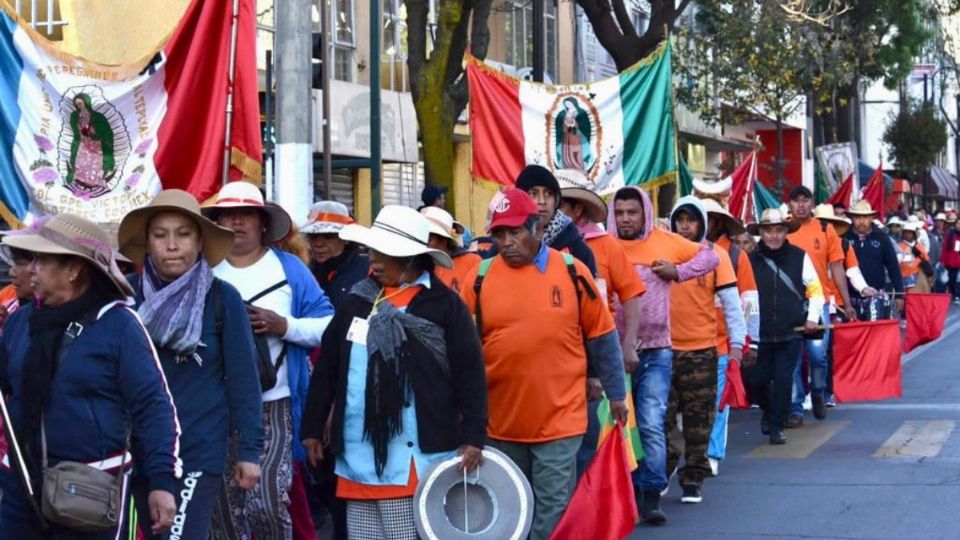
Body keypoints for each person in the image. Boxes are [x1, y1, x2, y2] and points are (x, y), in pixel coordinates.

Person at [301, 205, 488, 540]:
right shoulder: (358, 301)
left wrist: (473, 436)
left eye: (383, 253)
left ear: (411, 258)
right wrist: (313, 427)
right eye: (373, 251)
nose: (373, 259)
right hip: (357, 452)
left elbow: (470, 374)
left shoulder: (443, 306)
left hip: (413, 455)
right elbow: (329, 365)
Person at [460, 188, 627, 540]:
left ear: (536, 229)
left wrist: (616, 394)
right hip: (500, 425)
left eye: (516, 232)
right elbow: (462, 353)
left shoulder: (571, 271)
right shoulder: (479, 278)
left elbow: (602, 335)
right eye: (499, 234)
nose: (507, 242)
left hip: (560, 421)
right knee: (509, 513)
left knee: (551, 513)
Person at [0, 213, 180, 539]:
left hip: (90, 492)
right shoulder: (19, 323)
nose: (31, 270)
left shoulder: (119, 326)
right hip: (19, 486)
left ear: (73, 270)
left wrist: (162, 482)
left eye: (41, 260)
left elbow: (153, 407)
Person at [117, 189, 264, 540]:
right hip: (133, 451)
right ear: (147, 243)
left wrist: (249, 452)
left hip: (198, 450)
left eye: (183, 234)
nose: (172, 245)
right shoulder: (124, 295)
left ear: (199, 242)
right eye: (160, 234)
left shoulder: (222, 298)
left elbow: (244, 379)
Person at [203, 181, 334, 540]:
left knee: (269, 500)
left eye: (245, 215)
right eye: (227, 215)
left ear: (262, 223)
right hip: (216, 406)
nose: (236, 222)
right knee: (223, 505)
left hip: (274, 404)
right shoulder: (203, 269)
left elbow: (329, 326)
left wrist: (284, 325)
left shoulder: (289, 268)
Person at [607, 186, 719, 524]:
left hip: (657, 351)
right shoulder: (605, 245)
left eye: (633, 212)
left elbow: (710, 256)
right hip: (612, 351)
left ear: (645, 213)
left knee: (652, 425)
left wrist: (677, 272)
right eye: (621, 212)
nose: (626, 218)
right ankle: (622, 491)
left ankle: (651, 494)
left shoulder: (666, 239)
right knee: (617, 426)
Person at [556, 169, 645, 476]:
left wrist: (627, 345)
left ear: (577, 209)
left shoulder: (605, 246)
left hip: (593, 356)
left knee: (587, 443)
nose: (548, 210)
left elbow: (630, 296)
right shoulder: (530, 246)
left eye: (559, 204)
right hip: (553, 363)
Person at [665, 196, 746, 504]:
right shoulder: (660, 252)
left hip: (702, 352)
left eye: (691, 220)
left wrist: (737, 345)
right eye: (680, 220)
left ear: (701, 223)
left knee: (700, 423)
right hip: (662, 352)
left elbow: (732, 305)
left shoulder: (716, 256)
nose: (685, 226)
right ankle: (665, 465)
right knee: (660, 420)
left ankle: (693, 479)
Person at [744, 209, 825, 445]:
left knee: (782, 381)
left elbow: (815, 290)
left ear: (785, 232)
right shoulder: (750, 260)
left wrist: (812, 317)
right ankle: (768, 412)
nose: (774, 236)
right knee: (756, 381)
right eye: (769, 231)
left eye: (779, 230)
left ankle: (777, 426)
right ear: (761, 233)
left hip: (791, 332)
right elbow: (743, 296)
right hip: (759, 334)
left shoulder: (800, 256)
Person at [699, 198, 757, 477]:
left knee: (718, 401)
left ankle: (712, 454)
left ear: (718, 223)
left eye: (707, 218)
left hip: (723, 342)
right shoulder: (684, 251)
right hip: (689, 342)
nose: (701, 223)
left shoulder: (736, 255)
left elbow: (750, 301)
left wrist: (749, 341)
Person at [786, 186, 851, 425]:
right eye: (796, 200)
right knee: (792, 358)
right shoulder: (783, 230)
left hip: (819, 302)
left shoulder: (825, 229)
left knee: (817, 355)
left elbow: (836, 268)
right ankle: (795, 407)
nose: (801, 205)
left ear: (812, 203)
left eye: (805, 200)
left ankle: (819, 390)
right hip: (791, 305)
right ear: (790, 205)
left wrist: (848, 301)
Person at [514, 164, 598, 275]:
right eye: (533, 194)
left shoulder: (577, 249)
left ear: (556, 201)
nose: (542, 201)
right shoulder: (505, 243)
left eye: (548, 194)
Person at [301, 201, 369, 309]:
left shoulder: (367, 268)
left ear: (345, 238)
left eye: (328, 236)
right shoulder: (303, 270)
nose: (318, 244)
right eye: (313, 236)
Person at [843, 201, 904, 320]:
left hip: (876, 296)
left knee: (875, 335)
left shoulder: (882, 238)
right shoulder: (844, 239)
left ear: (871, 218)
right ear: (851, 218)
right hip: (849, 299)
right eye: (857, 217)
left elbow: (893, 267)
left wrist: (899, 295)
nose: (862, 221)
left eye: (865, 217)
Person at [421, 206, 481, 294]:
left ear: (443, 239)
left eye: (429, 239)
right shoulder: (418, 266)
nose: (423, 243)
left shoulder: (472, 261)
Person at [899, 221, 932, 293]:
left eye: (909, 232)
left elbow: (926, 259)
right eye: (905, 232)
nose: (907, 234)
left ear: (914, 234)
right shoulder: (898, 246)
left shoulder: (919, 246)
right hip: (902, 277)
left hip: (917, 277)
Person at [943, 214, 960, 304]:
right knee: (951, 279)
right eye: (958, 223)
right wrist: (943, 261)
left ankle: (957, 295)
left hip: (959, 262)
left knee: (958, 280)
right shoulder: (950, 234)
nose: (959, 225)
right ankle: (952, 295)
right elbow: (945, 248)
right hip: (950, 262)